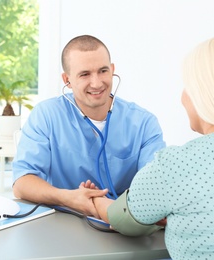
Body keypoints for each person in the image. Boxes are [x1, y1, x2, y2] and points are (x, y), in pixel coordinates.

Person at [92, 35, 214, 259]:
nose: (183, 97)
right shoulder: (48, 115)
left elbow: (122, 217)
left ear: (203, 93)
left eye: (187, 87)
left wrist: (93, 198)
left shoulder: (177, 164)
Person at [11, 34, 166, 217]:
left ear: (112, 69)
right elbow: (22, 183)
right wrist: (67, 197)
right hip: (64, 222)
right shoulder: (46, 115)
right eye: (85, 74)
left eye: (103, 71)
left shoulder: (144, 123)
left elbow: (157, 187)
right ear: (66, 80)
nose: (97, 83)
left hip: (126, 224)